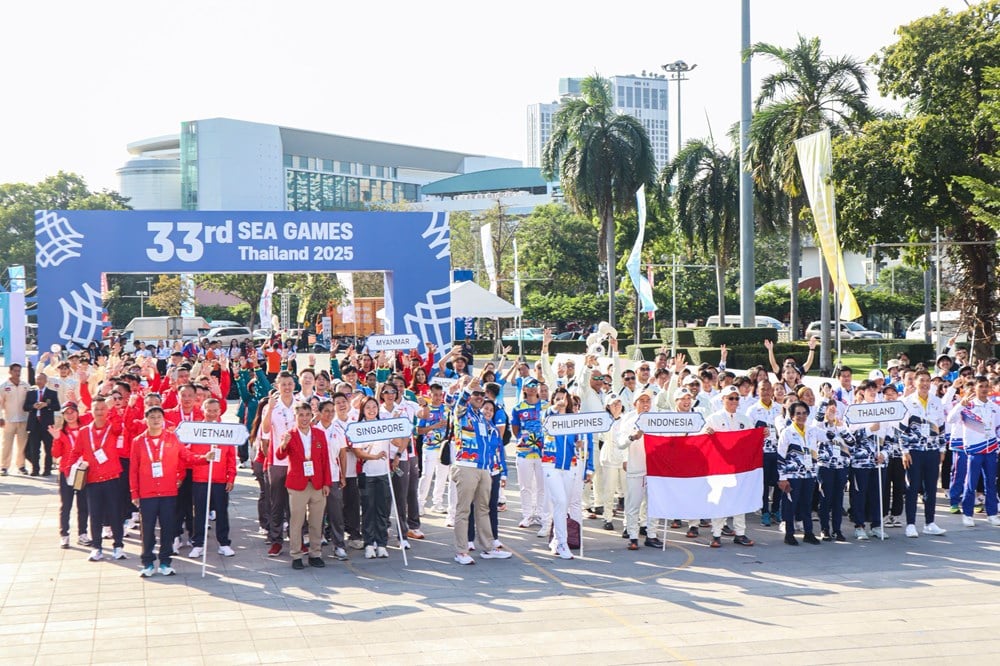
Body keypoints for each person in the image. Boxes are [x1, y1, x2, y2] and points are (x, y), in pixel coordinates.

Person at [130, 405, 211, 577]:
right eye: (152, 417)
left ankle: (165, 562)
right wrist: (134, 492)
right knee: (148, 529)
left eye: (159, 416)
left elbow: (187, 456)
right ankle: (148, 562)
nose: (156, 420)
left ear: (164, 419)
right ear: (146, 420)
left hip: (168, 491)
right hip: (147, 492)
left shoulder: (172, 438)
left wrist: (204, 458)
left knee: (168, 528)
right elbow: (133, 469)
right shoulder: (138, 441)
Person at [451, 377, 512, 563]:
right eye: (475, 394)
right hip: (467, 466)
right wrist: (467, 389)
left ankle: (488, 547)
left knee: (484, 509)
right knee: (463, 510)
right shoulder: (463, 413)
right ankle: (461, 551)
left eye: (481, 394)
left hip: (484, 468)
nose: (479, 396)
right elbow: (459, 404)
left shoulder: (483, 418)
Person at [276, 402, 332, 569]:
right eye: (301, 415)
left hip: (317, 483)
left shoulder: (319, 434)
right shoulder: (289, 434)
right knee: (297, 521)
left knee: (316, 521)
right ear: (296, 416)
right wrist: (284, 444)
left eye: (307, 415)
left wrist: (326, 483)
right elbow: (280, 455)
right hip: (297, 484)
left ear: (312, 415)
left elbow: (325, 461)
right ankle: (296, 555)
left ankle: (315, 553)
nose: (305, 418)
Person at [70, 398, 126, 561]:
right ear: (91, 412)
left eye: (103, 409)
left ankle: (118, 546)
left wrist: (113, 408)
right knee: (95, 514)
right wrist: (69, 469)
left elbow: (119, 424)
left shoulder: (112, 428)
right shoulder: (84, 431)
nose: (100, 412)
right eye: (97, 409)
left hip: (111, 477)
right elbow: (75, 452)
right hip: (93, 479)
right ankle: (97, 547)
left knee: (115, 513)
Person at [354, 397, 407, 560]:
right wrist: (374, 456)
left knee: (383, 510)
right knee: (368, 510)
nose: (371, 410)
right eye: (368, 407)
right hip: (367, 474)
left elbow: (398, 442)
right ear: (363, 410)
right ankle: (369, 543)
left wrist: (395, 426)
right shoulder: (359, 428)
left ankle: (382, 543)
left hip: (384, 474)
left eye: (374, 407)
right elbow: (357, 452)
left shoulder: (383, 426)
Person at [702, 386, 755, 547]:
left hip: (739, 467)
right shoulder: (713, 418)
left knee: (740, 500)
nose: (733, 401)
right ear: (722, 399)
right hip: (719, 467)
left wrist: (762, 435)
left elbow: (751, 440)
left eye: (736, 398)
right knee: (720, 500)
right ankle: (716, 534)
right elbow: (702, 438)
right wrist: (706, 432)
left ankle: (740, 533)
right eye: (730, 398)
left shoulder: (744, 419)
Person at [900, 370, 949, 537]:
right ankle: (911, 524)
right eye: (922, 381)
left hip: (932, 451)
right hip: (914, 451)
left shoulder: (936, 401)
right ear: (914, 382)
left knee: (931, 488)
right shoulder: (907, 402)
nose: (925, 384)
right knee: (912, 487)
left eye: (928, 381)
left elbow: (942, 427)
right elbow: (901, 430)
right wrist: (904, 451)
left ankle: (930, 522)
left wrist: (942, 449)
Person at [187, 399, 237, 559]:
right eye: (209, 410)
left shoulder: (225, 430)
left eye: (215, 410)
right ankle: (198, 544)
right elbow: (189, 454)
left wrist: (231, 477)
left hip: (220, 479)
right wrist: (202, 457)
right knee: (200, 512)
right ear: (203, 410)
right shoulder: (197, 430)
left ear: (220, 411)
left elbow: (231, 457)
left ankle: (224, 543)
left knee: (222, 512)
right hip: (200, 478)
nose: (212, 413)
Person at [948, 375, 1000, 529]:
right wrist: (960, 405)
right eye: (980, 386)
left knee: (991, 483)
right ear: (975, 388)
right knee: (971, 483)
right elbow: (950, 419)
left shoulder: (994, 407)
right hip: (974, 450)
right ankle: (968, 514)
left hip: (990, 449)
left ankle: (992, 514)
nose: (984, 389)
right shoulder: (967, 406)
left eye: (986, 386)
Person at [617, 390, 663, 550]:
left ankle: (651, 535)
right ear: (634, 403)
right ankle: (633, 536)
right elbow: (620, 443)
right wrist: (632, 437)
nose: (645, 403)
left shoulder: (656, 419)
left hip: (654, 469)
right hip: (636, 468)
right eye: (642, 400)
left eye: (648, 400)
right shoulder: (628, 420)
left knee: (654, 505)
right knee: (633, 504)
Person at [260, 372, 298, 556]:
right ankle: (276, 540)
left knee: (296, 504)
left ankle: (297, 539)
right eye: (283, 384)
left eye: (290, 383)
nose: (287, 387)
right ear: (277, 386)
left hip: (297, 461)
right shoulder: (272, 407)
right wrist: (268, 409)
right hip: (278, 460)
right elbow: (266, 430)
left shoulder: (299, 405)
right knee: (277, 503)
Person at [776, 401, 821, 546]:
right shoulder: (787, 432)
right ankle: (789, 534)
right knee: (791, 504)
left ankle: (809, 532)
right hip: (792, 476)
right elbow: (780, 456)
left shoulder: (812, 430)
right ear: (792, 416)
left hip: (808, 474)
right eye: (798, 414)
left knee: (806, 504)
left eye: (804, 413)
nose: (801, 416)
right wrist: (782, 478)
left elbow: (829, 435)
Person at [50, 402, 92, 548]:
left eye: (72, 411)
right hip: (67, 472)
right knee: (66, 505)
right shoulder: (61, 432)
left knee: (83, 504)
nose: (70, 415)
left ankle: (82, 534)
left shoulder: (85, 429)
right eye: (66, 413)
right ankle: (64, 535)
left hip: (81, 471)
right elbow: (55, 454)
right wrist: (56, 439)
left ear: (77, 412)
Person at [510, 378, 548, 534]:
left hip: (542, 452)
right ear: (524, 388)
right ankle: (527, 515)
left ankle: (539, 514)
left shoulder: (546, 406)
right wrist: (524, 440)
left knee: (542, 486)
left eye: (535, 386)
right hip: (524, 452)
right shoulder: (518, 407)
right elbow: (515, 428)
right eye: (529, 386)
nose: (532, 389)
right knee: (525, 486)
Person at [746, 380, 782, 527]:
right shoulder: (752, 410)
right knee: (765, 484)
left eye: (768, 389)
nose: (766, 392)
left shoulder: (779, 408)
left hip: (778, 451)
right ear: (757, 391)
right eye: (763, 389)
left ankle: (776, 510)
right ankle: (765, 511)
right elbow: (749, 433)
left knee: (779, 482)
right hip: (763, 453)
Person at [317, 396, 350, 561]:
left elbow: (343, 455)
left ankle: (339, 545)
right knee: (316, 513)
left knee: (336, 513)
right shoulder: (313, 430)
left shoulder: (338, 431)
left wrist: (343, 475)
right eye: (326, 411)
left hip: (334, 477)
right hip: (316, 479)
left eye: (331, 411)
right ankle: (316, 546)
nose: (329, 414)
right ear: (320, 413)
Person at [814, 399, 851, 542]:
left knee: (838, 499)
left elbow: (850, 441)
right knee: (825, 498)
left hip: (841, 466)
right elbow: (817, 422)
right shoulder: (819, 426)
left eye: (834, 409)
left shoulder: (841, 425)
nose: (832, 411)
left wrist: (841, 427)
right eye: (830, 409)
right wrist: (824, 402)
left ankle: (837, 529)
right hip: (825, 466)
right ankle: (824, 529)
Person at [416, 384, 451, 514]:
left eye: (440, 394)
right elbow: (419, 430)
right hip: (430, 447)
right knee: (427, 475)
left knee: (442, 476)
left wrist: (447, 425)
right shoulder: (425, 410)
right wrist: (434, 426)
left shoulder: (447, 410)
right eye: (435, 394)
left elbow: (452, 427)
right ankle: (420, 503)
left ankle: (438, 503)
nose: (437, 397)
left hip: (443, 447)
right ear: (430, 395)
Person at [23, 371, 60, 476]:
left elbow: (57, 406)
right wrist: (33, 406)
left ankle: (47, 469)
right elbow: (25, 407)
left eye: (41, 379)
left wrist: (46, 405)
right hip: (34, 424)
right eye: (37, 379)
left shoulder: (52, 393)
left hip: (47, 424)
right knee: (34, 449)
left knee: (48, 448)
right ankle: (35, 469)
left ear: (45, 381)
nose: (39, 381)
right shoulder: (31, 393)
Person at [0, 362, 30, 476]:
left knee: (22, 444)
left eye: (19, 371)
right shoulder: (3, 386)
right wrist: (0, 417)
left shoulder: (25, 385)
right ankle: (4, 466)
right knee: (6, 444)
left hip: (23, 419)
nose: (17, 373)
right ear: (10, 371)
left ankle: (21, 465)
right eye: (15, 371)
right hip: (9, 419)